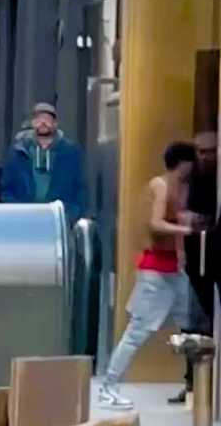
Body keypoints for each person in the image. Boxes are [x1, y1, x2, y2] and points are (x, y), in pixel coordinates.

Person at [99, 142, 197, 410]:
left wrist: (180, 254)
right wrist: (186, 231)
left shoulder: (182, 188)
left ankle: (196, 386)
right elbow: (155, 223)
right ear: (183, 163)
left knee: (193, 326)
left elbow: (173, 224)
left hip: (174, 272)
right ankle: (108, 387)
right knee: (137, 331)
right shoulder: (161, 185)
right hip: (154, 273)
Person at [169, 131, 218, 404]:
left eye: (210, 151)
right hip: (194, 260)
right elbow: (182, 216)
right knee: (193, 324)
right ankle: (192, 383)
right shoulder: (190, 179)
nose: (205, 156)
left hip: (210, 257)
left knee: (205, 321)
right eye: (200, 151)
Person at [1, 102, 86, 223]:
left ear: (55, 124)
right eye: (39, 119)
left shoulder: (70, 152)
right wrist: (16, 212)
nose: (43, 123)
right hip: (24, 219)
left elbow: (79, 188)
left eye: (47, 119)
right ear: (33, 123)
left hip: (58, 220)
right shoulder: (17, 152)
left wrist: (71, 215)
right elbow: (7, 189)